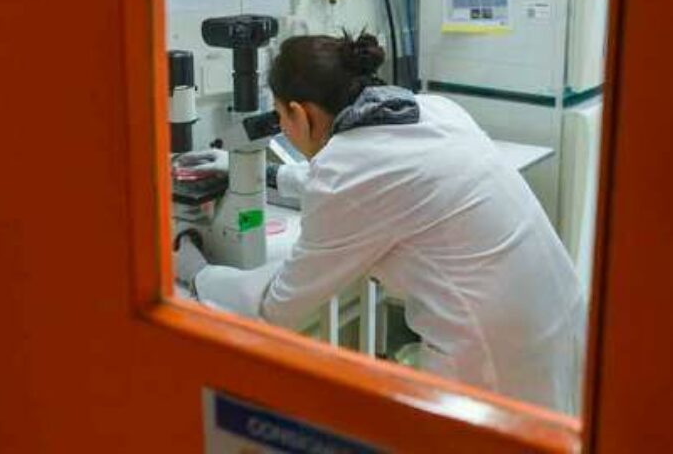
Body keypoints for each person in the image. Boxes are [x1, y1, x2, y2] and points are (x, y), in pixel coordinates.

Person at [175, 31, 586, 414]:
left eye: (281, 116)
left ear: (300, 113)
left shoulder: (346, 171)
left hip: (492, 356)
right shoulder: (431, 109)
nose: (282, 127)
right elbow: (370, 181)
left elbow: (275, 307)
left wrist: (196, 272)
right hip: (557, 312)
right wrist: (260, 173)